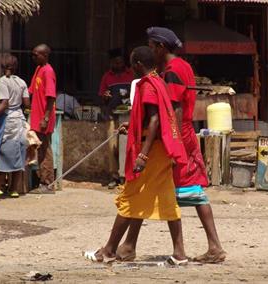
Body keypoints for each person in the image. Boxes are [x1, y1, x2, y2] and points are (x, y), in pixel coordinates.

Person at [116, 27, 226, 264]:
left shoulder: (173, 71)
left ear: (160, 47)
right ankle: (130, 245)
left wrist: (168, 141)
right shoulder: (182, 66)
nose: (151, 51)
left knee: (173, 189)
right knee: (163, 189)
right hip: (181, 134)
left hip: (178, 136)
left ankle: (201, 248)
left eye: (152, 46)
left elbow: (172, 110)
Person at [83, 46, 188, 265]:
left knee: (129, 197)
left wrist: (142, 154)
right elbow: (151, 118)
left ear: (139, 64)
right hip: (161, 150)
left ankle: (110, 250)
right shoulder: (158, 80)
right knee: (167, 198)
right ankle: (179, 254)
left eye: (133, 65)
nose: (132, 69)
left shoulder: (148, 85)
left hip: (152, 152)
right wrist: (132, 126)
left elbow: (155, 120)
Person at [0, 54, 30, 198]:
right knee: (18, 153)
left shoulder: (2, 82)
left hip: (5, 120)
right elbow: (26, 103)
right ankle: (14, 189)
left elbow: (3, 104)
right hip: (18, 120)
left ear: (2, 67)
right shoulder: (21, 82)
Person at [28, 44, 57, 194]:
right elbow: (31, 91)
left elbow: (51, 97)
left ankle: (48, 183)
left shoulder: (48, 71)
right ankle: (42, 181)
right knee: (39, 149)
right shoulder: (38, 69)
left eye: (36, 55)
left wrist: (45, 117)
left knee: (45, 149)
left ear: (44, 55)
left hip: (43, 117)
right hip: (36, 115)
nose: (33, 57)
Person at [98, 48, 134, 121]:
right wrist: (106, 96)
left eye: (120, 62)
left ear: (124, 62)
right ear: (111, 63)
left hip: (128, 113)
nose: (118, 65)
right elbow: (102, 96)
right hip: (113, 114)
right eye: (116, 63)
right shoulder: (107, 76)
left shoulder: (131, 74)